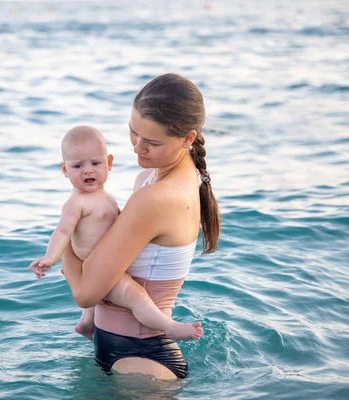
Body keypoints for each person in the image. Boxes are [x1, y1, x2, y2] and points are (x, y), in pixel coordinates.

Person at [61, 73, 220, 380]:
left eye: (152, 142)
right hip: (127, 351)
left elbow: (85, 293)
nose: (137, 148)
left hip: (143, 358)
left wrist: (66, 238)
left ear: (188, 138)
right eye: (133, 133)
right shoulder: (153, 178)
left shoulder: (156, 197)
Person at [29, 125, 203, 342]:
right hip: (98, 270)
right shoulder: (75, 203)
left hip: (100, 264)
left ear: (109, 163)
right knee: (135, 296)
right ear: (64, 170)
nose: (88, 170)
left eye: (95, 163)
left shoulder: (105, 196)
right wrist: (50, 258)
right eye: (77, 165)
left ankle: (86, 323)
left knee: (102, 302)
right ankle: (168, 328)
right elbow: (62, 232)